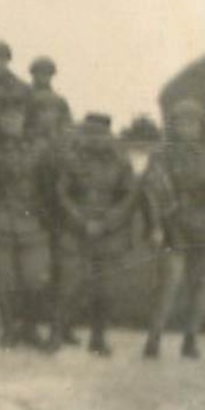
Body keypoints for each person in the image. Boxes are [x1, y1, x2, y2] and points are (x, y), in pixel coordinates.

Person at [141, 98, 205, 360]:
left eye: (192, 121)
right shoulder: (161, 154)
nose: (186, 127)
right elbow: (149, 194)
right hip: (174, 227)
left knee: (201, 286)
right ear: (172, 125)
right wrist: (155, 227)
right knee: (168, 284)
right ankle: (153, 340)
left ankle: (190, 339)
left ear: (201, 124)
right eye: (180, 121)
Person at [50, 113, 141, 356]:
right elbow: (61, 194)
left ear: (109, 136)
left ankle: (98, 338)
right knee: (68, 284)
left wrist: (108, 222)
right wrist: (81, 221)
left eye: (101, 134)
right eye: (90, 133)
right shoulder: (71, 160)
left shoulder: (121, 162)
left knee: (105, 289)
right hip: (76, 229)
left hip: (109, 233)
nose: (95, 139)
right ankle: (57, 333)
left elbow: (129, 196)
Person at [0, 95, 55, 348]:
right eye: (6, 116)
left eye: (16, 116)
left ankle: (29, 327)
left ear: (23, 119)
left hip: (33, 222)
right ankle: (9, 327)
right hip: (1, 222)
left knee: (35, 279)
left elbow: (50, 187)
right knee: (3, 279)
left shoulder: (40, 147)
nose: (11, 121)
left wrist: (50, 222)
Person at [29, 56, 74, 127]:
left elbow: (67, 124)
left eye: (47, 73)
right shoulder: (24, 95)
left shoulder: (59, 101)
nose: (44, 76)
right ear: (34, 74)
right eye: (41, 72)